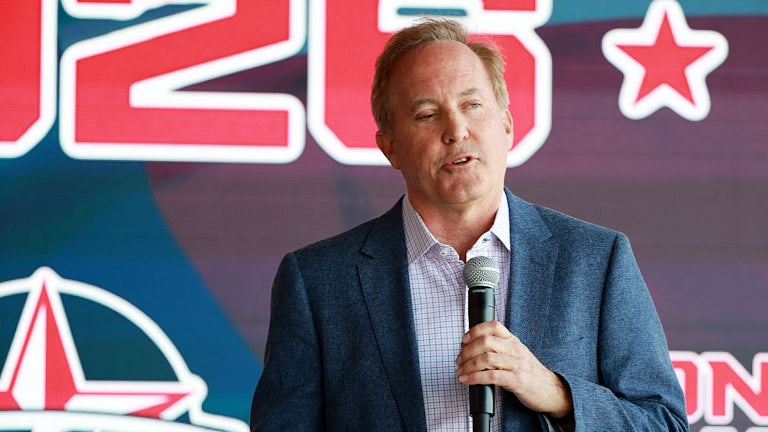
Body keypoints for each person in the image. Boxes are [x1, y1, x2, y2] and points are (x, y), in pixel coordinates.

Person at [250, 18, 688, 432]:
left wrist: (554, 392)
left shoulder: (595, 260)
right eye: (426, 114)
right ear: (390, 147)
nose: (456, 129)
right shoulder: (319, 282)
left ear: (506, 125)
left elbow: (664, 422)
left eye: (472, 105)